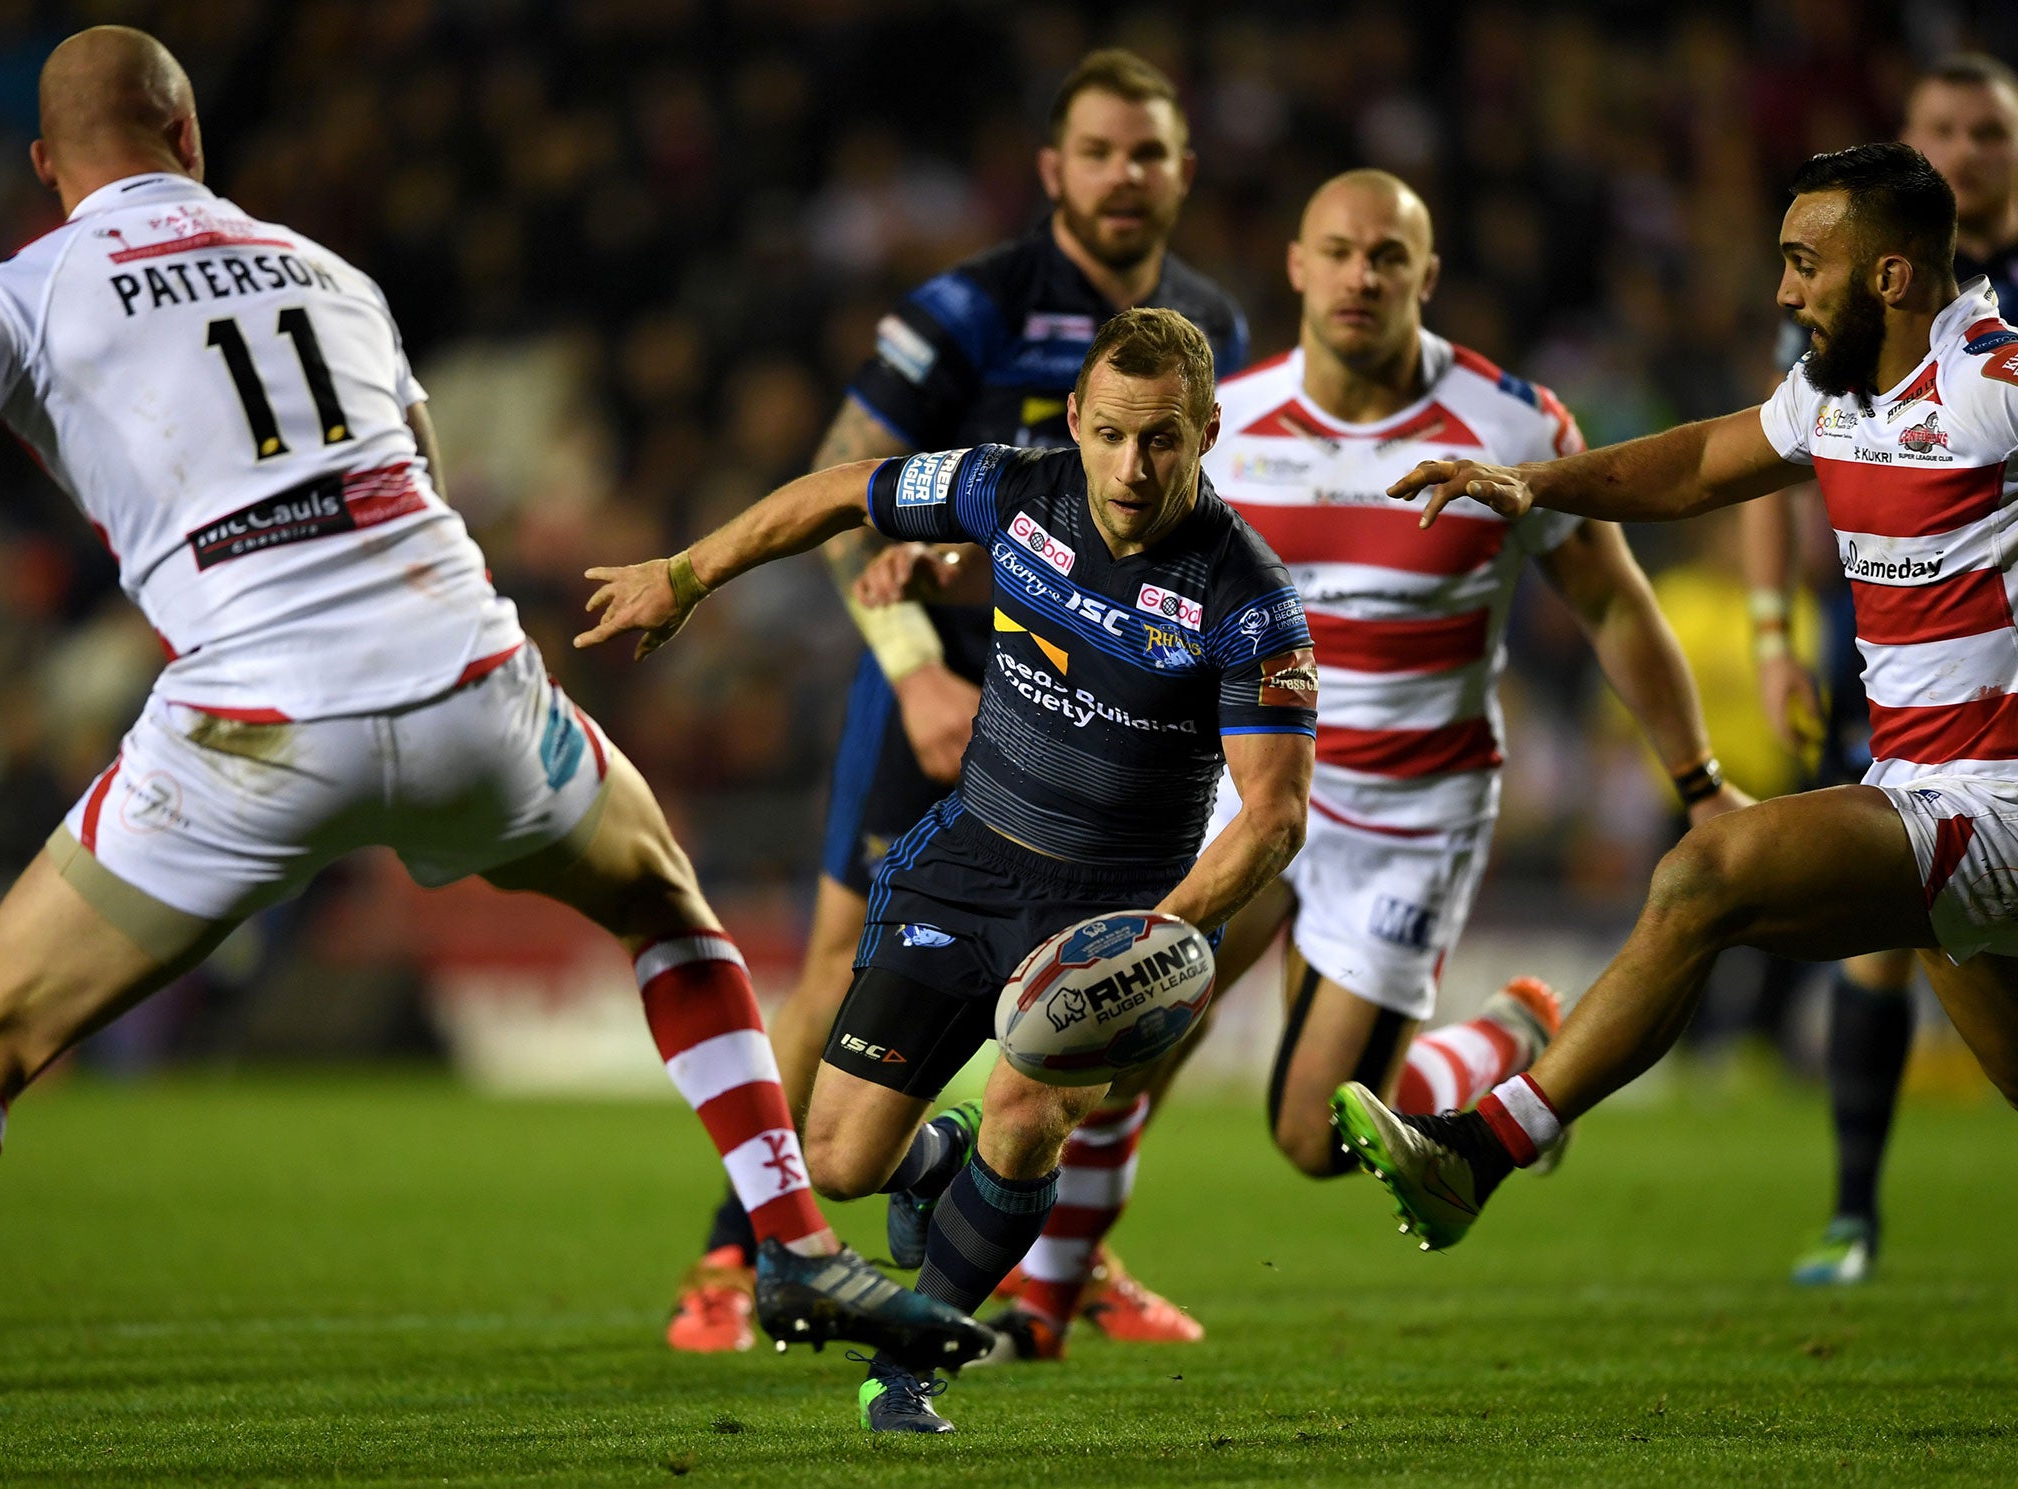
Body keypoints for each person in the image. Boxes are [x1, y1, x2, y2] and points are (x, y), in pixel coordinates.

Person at [0, 25, 996, 1376]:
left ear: (47, 166)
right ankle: (795, 1248)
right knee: (667, 913)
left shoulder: (24, 290)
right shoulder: (330, 273)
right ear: (194, 140)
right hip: (471, 686)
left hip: (253, 725)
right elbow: (431, 480)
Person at [916, 170, 1744, 1360]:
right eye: (1339, 252)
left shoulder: (1512, 427)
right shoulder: (1228, 424)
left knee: (1309, 1138)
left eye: (1387, 257)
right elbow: (1097, 525)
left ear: (1424, 275)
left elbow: (1614, 609)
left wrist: (1700, 782)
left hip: (1410, 814)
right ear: (1296, 267)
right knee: (1108, 1038)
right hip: (1243, 795)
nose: (1361, 275)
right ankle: (1043, 1302)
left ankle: (1503, 1034)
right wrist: (974, 553)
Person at [578, 306, 1317, 1432]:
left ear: (1206, 431)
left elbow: (1272, 819)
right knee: (836, 1161)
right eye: (1109, 434)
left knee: (1029, 1117)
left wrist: (1149, 942)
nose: (1131, 466)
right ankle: (937, 1163)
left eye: (1161, 438)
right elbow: (839, 490)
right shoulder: (1009, 488)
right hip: (965, 865)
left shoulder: (1247, 599)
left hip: (1116, 912)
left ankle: (911, 1360)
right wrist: (688, 573)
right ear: (1073, 419)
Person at [1335, 142, 2018, 1254]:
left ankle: (1479, 1151)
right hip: (1922, 795)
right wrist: (1534, 482)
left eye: (1805, 263)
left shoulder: (1991, 385)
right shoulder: (1831, 396)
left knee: (1702, 876)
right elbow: (1701, 465)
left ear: (1890, 278)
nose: (1785, 290)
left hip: (1986, 806)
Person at [668, 48, 1246, 1354]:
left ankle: (1049, 1238)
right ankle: (736, 1252)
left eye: (1146, 154)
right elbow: (839, 481)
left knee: (1115, 1000)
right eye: (1096, 152)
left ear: (1182, 173)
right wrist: (915, 667)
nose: (1122, 176)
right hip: (935, 684)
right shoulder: (970, 307)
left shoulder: (1216, 325)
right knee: (833, 972)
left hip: (1106, 721)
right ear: (1053, 170)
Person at [1740, 54, 2018, 1286]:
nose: (1963, 148)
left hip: (1989, 677)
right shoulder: (1844, 279)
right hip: (1876, 655)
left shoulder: (1988, 330)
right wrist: (1763, 634)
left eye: (1987, 130)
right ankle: (1852, 1209)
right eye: (1940, 129)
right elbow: (1756, 455)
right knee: (1896, 931)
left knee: (1934, 918)